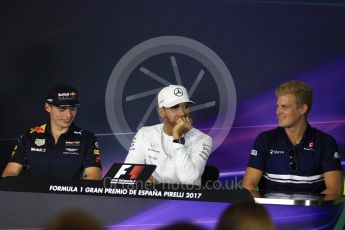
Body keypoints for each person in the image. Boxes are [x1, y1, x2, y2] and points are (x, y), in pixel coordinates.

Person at [242, 80, 343, 194]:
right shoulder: (264, 139)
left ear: (302, 109)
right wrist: (264, 211)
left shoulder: (326, 142)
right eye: (278, 106)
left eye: (284, 107)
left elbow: (335, 190)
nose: (277, 112)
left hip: (311, 211)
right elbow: (248, 185)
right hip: (270, 211)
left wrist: (306, 209)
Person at [2, 84, 102, 180]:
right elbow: (10, 172)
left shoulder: (87, 138)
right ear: (48, 107)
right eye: (62, 109)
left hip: (70, 197)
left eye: (73, 109)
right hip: (32, 196)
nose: (69, 115)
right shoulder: (30, 135)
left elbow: (94, 177)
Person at [124, 85, 212, 185]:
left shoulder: (203, 139)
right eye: (175, 107)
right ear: (162, 112)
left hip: (187, 199)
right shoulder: (145, 134)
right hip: (153, 198)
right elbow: (127, 171)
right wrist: (142, 175)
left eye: (186, 106)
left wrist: (177, 137)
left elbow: (189, 181)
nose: (182, 113)